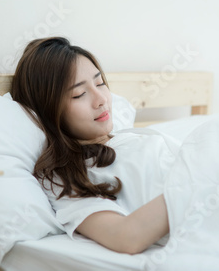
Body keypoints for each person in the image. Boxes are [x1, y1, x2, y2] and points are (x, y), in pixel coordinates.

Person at [11, 36, 171, 254]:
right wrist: (194, 185)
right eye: (79, 94)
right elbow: (127, 237)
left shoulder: (133, 137)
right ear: (50, 111)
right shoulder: (64, 178)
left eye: (100, 83)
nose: (101, 99)